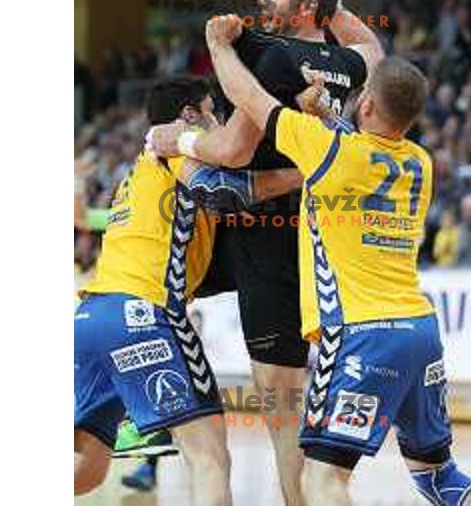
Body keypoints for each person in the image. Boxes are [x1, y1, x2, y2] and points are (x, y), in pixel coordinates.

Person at [202, 14, 471, 506]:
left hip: (361, 337)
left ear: (366, 103)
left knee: (322, 481)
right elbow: (358, 139)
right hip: (420, 333)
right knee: (439, 477)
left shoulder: (331, 153)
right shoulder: (419, 161)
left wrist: (219, 47)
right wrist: (323, 112)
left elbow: (251, 99)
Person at [147, 0, 383, 505]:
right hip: (319, 235)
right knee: (297, 401)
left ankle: (133, 384)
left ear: (306, 9)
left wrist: (176, 135)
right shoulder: (349, 62)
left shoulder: (276, 57)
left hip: (266, 238)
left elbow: (232, 149)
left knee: (281, 411)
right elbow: (370, 43)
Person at [74, 76, 302, 503]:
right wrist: (299, 175)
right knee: (210, 457)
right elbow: (223, 189)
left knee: (87, 468)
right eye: (213, 108)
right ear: (189, 116)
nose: (219, 119)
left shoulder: (138, 172)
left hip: (90, 317)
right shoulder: (178, 144)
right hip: (146, 312)